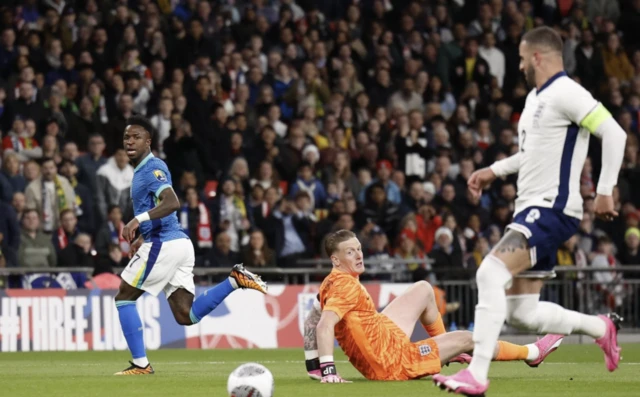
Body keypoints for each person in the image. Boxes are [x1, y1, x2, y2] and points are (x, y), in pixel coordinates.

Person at [433, 27, 627, 395]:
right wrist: (494, 170)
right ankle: (602, 329)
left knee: (489, 272)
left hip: (551, 208)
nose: (519, 64)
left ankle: (476, 373)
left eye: (522, 58)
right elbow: (531, 155)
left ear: (537, 56)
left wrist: (604, 191)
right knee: (522, 312)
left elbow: (614, 133)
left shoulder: (567, 91)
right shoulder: (537, 100)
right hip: (532, 208)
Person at [113, 115, 268, 375]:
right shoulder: (143, 170)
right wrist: (142, 236)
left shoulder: (152, 168)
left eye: (136, 137)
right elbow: (160, 208)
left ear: (148, 141)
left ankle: (141, 364)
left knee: (124, 297)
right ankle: (234, 280)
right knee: (186, 315)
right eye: (127, 137)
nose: (129, 141)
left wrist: (136, 221)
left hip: (165, 244)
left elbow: (172, 202)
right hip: (177, 244)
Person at [302, 230, 563, 383]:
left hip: (384, 336)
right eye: (351, 252)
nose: (359, 255)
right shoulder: (345, 286)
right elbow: (324, 326)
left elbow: (311, 321)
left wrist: (312, 366)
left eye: (359, 248)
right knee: (468, 338)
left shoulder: (331, 281)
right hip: (391, 361)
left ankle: (443, 346)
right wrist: (329, 373)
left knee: (424, 289)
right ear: (336, 260)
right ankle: (532, 352)